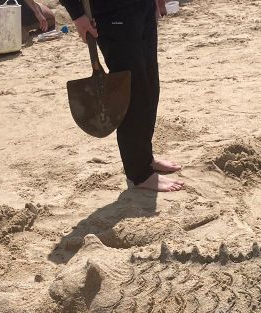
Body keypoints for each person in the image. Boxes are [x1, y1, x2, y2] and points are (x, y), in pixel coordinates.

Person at [60, 0, 184, 192]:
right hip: (112, 13)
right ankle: (139, 173)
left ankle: (144, 158)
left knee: (150, 86)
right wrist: (77, 14)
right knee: (134, 89)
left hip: (141, 8)